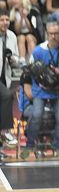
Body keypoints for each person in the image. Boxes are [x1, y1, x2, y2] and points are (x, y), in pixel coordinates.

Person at [23, 21, 59, 158]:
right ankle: (30, 145)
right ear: (46, 34)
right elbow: (28, 73)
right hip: (40, 90)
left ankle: (58, 146)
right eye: (51, 34)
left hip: (57, 89)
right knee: (36, 116)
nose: (53, 36)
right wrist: (37, 82)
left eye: (56, 34)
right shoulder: (38, 51)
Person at [0, 10, 21, 151]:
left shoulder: (12, 36)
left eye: (7, 19)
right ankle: (5, 131)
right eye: (2, 19)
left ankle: (1, 149)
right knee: (7, 95)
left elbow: (16, 58)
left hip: (4, 77)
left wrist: (12, 58)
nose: (5, 22)